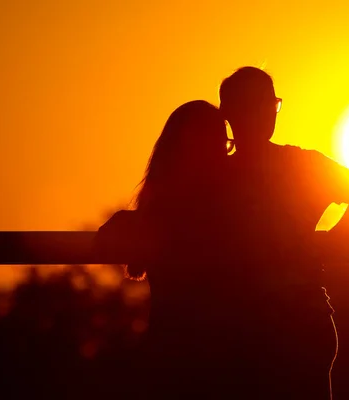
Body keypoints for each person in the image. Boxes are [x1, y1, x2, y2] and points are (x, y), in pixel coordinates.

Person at [219, 66, 349, 399]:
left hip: (254, 328)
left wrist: (330, 246)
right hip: (294, 321)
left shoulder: (215, 176)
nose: (268, 112)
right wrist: (329, 247)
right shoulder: (301, 165)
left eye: (271, 104)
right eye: (262, 104)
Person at [95, 100, 241, 398]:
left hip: (169, 354)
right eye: (220, 144)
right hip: (222, 361)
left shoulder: (153, 215)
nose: (225, 153)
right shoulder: (233, 210)